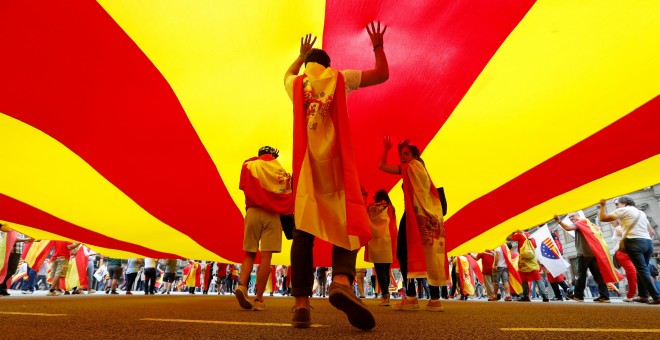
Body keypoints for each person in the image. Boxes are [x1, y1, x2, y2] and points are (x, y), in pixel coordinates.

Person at [284, 21, 389, 330]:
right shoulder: (340, 79)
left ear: (307, 65)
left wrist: (298, 55)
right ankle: (342, 280)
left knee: (303, 229)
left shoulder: (296, 84)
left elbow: (286, 74)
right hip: (336, 166)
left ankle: (301, 304)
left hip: (306, 168)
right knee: (347, 221)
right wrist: (378, 45)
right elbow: (382, 74)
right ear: (328, 65)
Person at [379, 137, 446, 312]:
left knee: (403, 252)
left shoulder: (412, 167)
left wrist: (386, 149)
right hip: (427, 216)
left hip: (414, 215)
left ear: (415, 155)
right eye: (401, 154)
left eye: (406, 153)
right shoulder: (421, 169)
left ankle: (410, 297)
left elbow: (382, 167)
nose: (403, 157)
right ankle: (435, 299)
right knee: (427, 253)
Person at [234, 145, 294, 311]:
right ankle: (259, 299)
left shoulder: (249, 164)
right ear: (274, 155)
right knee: (266, 258)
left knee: (249, 254)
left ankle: (241, 286)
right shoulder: (281, 171)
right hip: (272, 215)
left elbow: (243, 185)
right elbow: (287, 193)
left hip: (252, 212)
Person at [598, 197, 659, 304]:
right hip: (648, 243)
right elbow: (651, 231)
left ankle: (656, 296)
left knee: (642, 270)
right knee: (641, 270)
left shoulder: (624, 210)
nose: (616, 207)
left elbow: (603, 218)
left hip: (634, 242)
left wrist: (603, 206)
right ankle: (643, 296)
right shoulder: (641, 212)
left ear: (624, 203)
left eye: (617, 204)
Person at [554, 213, 615, 303]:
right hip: (593, 253)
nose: (571, 218)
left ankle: (578, 296)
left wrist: (558, 220)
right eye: (569, 217)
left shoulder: (581, 222)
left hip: (584, 253)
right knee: (598, 275)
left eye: (572, 216)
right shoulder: (589, 223)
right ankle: (604, 296)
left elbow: (568, 228)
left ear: (578, 216)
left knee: (580, 275)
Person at [365, 189, 398, 306]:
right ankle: (386, 295)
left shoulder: (372, 208)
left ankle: (385, 296)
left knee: (379, 270)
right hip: (388, 241)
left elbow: (365, 212)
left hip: (376, 240)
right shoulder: (391, 208)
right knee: (386, 269)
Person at [507, 231, 549, 302]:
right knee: (537, 277)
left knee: (524, 279)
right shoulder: (531, 237)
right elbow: (535, 246)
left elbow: (508, 238)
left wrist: (513, 233)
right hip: (532, 259)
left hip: (523, 259)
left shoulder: (519, 235)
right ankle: (545, 296)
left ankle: (526, 296)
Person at [0, 223, 34, 296]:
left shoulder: (18, 227)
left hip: (16, 250)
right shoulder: (11, 225)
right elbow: (13, 239)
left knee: (8, 269)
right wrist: (28, 239)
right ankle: (1, 285)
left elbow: (20, 240)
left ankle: (3, 288)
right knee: (11, 269)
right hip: (12, 250)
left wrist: (31, 240)